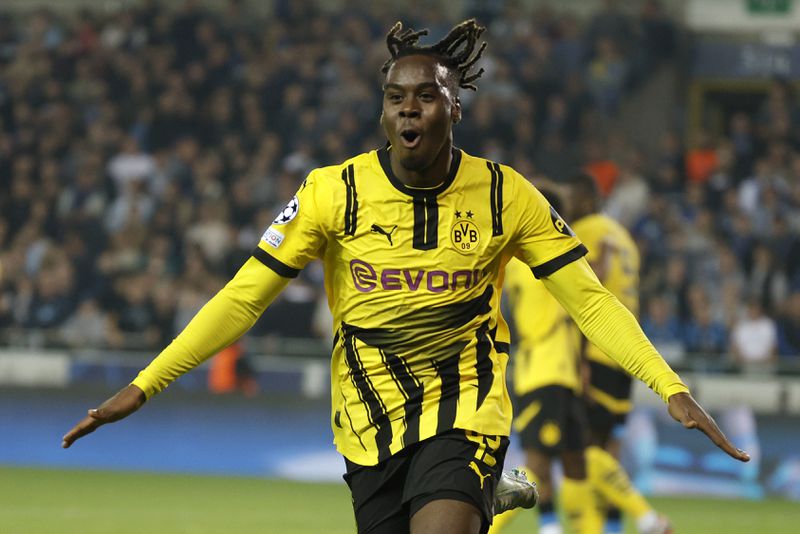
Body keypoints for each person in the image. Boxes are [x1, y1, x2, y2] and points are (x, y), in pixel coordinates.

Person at [63, 20, 748, 534]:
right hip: (368, 421)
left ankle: (474, 492)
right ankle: (485, 502)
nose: (410, 108)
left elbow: (592, 304)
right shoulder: (333, 194)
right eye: (397, 97)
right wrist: (146, 384)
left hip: (467, 409)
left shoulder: (508, 196)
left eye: (428, 95)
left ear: (456, 108)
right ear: (383, 110)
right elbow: (244, 297)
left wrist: (671, 387)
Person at [491, 186, 670, 534]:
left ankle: (633, 519)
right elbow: (586, 285)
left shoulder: (517, 260)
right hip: (552, 369)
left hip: (554, 370)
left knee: (567, 460)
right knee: (558, 461)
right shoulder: (539, 255)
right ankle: (631, 519)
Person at [570, 172, 668, 534]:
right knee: (609, 450)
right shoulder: (625, 238)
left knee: (583, 447)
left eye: (573, 200)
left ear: (585, 198)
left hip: (596, 353)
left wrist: (578, 359)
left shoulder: (588, 231)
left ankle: (642, 519)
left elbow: (585, 294)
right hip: (623, 356)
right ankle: (614, 528)